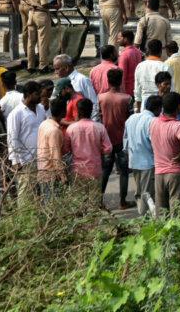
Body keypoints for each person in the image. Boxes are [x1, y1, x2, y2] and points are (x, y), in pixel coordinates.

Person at [149, 92, 180, 212]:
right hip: (178, 174)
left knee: (162, 214)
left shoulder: (153, 123)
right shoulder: (178, 126)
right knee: (179, 214)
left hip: (159, 174)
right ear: (179, 107)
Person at [66, 97, 112, 206]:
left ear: (77, 111)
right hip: (94, 169)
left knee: (79, 203)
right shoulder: (99, 127)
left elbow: (66, 149)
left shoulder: (71, 129)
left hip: (77, 170)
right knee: (94, 203)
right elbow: (108, 149)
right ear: (91, 111)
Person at [99, 68, 133, 210]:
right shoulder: (127, 99)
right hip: (122, 141)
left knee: (105, 171)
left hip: (106, 140)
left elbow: (98, 117)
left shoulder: (100, 97)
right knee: (123, 172)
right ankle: (123, 201)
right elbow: (130, 120)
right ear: (120, 81)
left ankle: (99, 201)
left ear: (108, 80)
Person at [6, 80, 45, 202]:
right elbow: (12, 138)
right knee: (26, 193)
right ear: (28, 94)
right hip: (25, 160)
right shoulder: (16, 114)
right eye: (37, 94)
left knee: (41, 194)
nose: (40, 97)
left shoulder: (41, 109)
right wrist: (15, 160)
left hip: (42, 158)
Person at [124, 95, 161, 216]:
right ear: (158, 109)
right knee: (147, 193)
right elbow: (155, 143)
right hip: (148, 162)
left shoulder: (131, 118)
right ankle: (145, 219)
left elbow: (125, 140)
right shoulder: (153, 121)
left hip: (134, 161)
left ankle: (142, 214)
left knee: (139, 192)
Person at [14, 0, 51, 73]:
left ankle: (30, 66)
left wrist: (25, 0)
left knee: (31, 41)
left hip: (31, 14)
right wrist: (55, 6)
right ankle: (43, 66)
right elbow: (44, 4)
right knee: (42, 41)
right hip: (41, 15)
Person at [37, 96, 69, 195]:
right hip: (51, 175)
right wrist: (63, 177)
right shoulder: (54, 131)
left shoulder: (44, 124)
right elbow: (56, 157)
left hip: (43, 171)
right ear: (64, 112)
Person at [54, 53, 100, 122]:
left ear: (66, 68)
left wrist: (92, 124)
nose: (55, 72)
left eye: (57, 69)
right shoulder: (61, 82)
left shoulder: (82, 80)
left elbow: (94, 103)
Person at [133, 39, 170, 112]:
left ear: (148, 51)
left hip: (144, 105)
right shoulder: (165, 67)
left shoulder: (140, 66)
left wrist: (138, 110)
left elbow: (137, 91)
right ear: (161, 51)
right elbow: (171, 90)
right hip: (160, 106)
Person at [116, 30, 142, 98]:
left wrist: (121, 92)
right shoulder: (138, 51)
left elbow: (122, 75)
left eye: (119, 38)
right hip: (137, 88)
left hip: (127, 91)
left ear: (125, 39)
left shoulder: (124, 54)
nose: (117, 41)